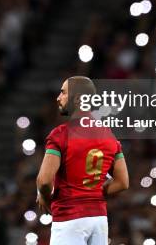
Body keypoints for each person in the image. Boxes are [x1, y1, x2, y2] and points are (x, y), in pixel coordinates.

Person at [36, 76, 129, 245]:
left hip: (69, 219)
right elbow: (123, 182)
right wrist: (90, 194)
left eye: (63, 92)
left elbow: (43, 181)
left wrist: (44, 197)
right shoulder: (109, 136)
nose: (58, 97)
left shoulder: (60, 134)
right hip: (99, 219)